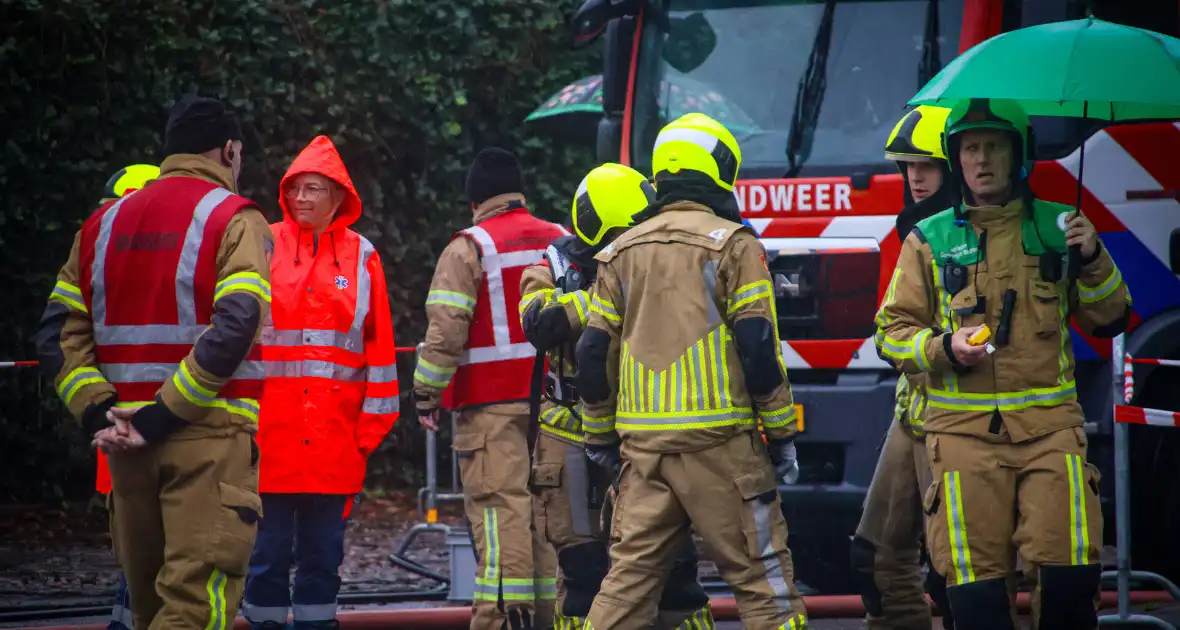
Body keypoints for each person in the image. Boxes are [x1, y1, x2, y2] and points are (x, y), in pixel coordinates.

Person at [876, 98, 1131, 630]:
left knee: (1070, 580)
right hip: (963, 438)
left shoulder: (1059, 226)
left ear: (1019, 155)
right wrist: (946, 348)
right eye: (971, 148)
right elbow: (891, 335)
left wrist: (1092, 258)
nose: (982, 159)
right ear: (956, 159)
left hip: (1051, 433)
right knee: (975, 595)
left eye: (995, 146)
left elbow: (1111, 318)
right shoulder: (929, 239)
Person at [34, 94, 273, 629]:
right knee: (196, 608)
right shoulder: (236, 218)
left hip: (124, 446)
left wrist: (101, 413)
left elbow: (56, 335)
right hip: (207, 440)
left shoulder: (101, 224)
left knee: (147, 608)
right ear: (229, 150)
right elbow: (236, 323)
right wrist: (161, 415)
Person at [576, 113, 808, 630]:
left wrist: (600, 438)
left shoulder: (618, 252)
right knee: (762, 580)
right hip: (721, 448)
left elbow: (592, 353)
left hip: (643, 454)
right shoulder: (735, 245)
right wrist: (781, 432)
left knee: (626, 585)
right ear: (721, 169)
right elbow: (758, 344)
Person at [519, 163, 715, 630]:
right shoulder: (550, 266)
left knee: (676, 571)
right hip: (567, 435)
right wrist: (602, 298)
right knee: (584, 575)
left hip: (640, 432)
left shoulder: (656, 260)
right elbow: (539, 324)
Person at [241, 135, 400, 629]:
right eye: (296, 189)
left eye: (313, 189)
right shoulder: (261, 242)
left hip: (333, 444)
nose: (301, 199)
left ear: (338, 197)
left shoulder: (361, 256)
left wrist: (366, 437)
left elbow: (381, 353)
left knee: (322, 561)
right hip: (266, 441)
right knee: (263, 559)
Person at [411, 147, 564, 630]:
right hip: (556, 407)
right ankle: (549, 620)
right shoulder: (560, 239)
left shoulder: (469, 246)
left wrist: (425, 394)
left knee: (500, 521)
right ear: (520, 192)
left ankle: (500, 622)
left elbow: (446, 331)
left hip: (490, 409)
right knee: (548, 517)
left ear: (474, 199)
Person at [851, 105, 956, 630]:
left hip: (960, 420)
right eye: (907, 165)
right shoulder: (915, 233)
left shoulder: (969, 234)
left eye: (929, 165)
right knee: (874, 562)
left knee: (960, 578)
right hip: (912, 413)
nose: (915, 176)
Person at [94, 163, 162, 630]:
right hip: (143, 440)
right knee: (145, 556)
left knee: (140, 556)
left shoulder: (100, 264)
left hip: (135, 439)